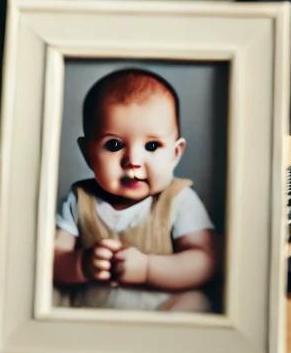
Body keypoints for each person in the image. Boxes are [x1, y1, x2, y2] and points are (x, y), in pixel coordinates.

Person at [53, 68, 218, 311]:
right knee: (44, 293)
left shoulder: (179, 199)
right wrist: (82, 264)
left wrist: (147, 269)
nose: (133, 160)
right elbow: (53, 259)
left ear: (175, 153)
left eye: (152, 146)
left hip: (159, 309)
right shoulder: (79, 200)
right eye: (114, 144)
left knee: (196, 302)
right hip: (86, 308)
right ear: (88, 153)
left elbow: (205, 260)